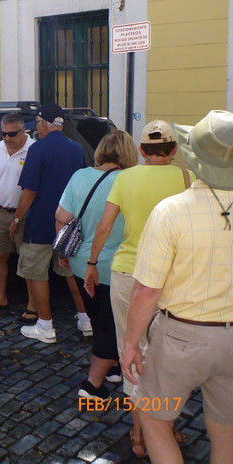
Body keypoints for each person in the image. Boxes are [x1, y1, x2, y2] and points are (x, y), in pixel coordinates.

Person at [120, 110, 233, 464]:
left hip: (182, 336)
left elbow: (147, 291)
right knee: (225, 428)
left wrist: (130, 344)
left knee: (154, 419)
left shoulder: (171, 211)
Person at [87, 119, 193, 458]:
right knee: (165, 356)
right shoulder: (184, 178)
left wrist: (91, 264)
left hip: (127, 273)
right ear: (174, 150)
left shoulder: (126, 177)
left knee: (130, 351)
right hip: (170, 277)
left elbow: (104, 226)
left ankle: (138, 433)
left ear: (143, 151)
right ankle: (166, 424)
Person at [54, 130, 138, 400]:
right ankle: (92, 385)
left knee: (98, 317)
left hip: (82, 262)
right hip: (117, 266)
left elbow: (61, 216)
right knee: (111, 324)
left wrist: (64, 250)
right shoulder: (131, 181)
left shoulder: (80, 176)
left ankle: (113, 365)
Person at [11, 103, 90, 344]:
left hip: (42, 223)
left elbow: (29, 191)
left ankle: (45, 325)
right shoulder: (76, 149)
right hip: (69, 223)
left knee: (36, 274)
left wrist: (16, 219)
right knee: (71, 273)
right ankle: (86, 320)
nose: (37, 128)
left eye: (36, 124)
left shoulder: (38, 149)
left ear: (43, 123)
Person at [0, 112, 35, 317]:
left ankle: (33, 303)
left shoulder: (34, 150)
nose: (7, 138)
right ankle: (0, 297)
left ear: (23, 131)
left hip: (26, 214)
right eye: (3, 134)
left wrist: (19, 217)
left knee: (29, 261)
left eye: (11, 134)